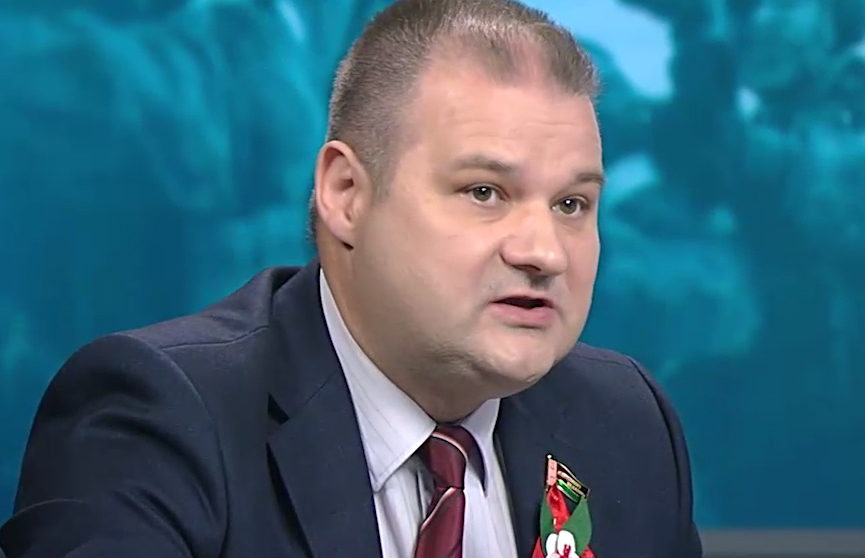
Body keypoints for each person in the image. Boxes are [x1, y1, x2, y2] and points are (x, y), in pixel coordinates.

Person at [0, 0, 703, 556]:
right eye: (485, 192)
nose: (543, 252)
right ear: (346, 193)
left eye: (571, 204)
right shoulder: (158, 419)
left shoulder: (626, 422)